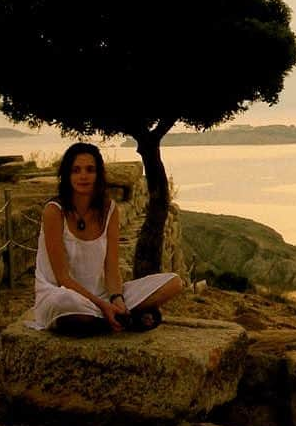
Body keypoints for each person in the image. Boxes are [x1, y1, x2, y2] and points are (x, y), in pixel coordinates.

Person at [31, 142, 183, 335]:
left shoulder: (109, 210)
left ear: (98, 174)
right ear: (67, 175)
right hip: (63, 294)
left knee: (173, 282)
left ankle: (111, 318)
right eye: (76, 170)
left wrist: (116, 299)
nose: (83, 176)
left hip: (102, 294)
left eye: (90, 170)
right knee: (64, 304)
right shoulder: (54, 211)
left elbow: (111, 268)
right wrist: (103, 305)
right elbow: (63, 278)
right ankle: (120, 319)